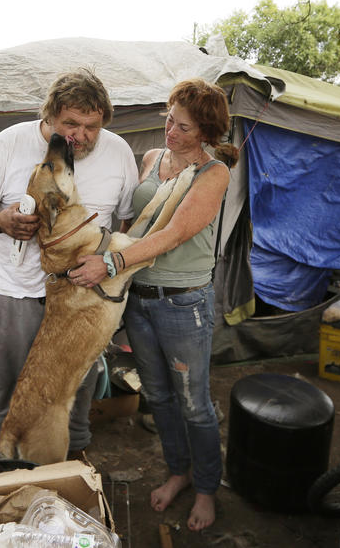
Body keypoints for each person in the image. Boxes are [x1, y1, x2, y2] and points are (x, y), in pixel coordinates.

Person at [69, 78, 237, 532]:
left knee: (194, 404)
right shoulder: (152, 159)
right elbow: (131, 222)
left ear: (205, 131)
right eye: (168, 120)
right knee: (158, 396)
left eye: (182, 127)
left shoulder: (213, 172)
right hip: (139, 299)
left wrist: (111, 263)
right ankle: (179, 473)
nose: (170, 132)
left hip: (184, 304)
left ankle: (206, 489)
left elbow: (173, 234)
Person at [0, 69, 138, 464]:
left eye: (92, 126)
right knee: (1, 397)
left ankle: (70, 486)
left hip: (81, 304)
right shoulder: (11, 142)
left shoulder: (119, 153)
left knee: (72, 398)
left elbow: (125, 220)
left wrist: (107, 263)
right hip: (15, 295)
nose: (81, 135)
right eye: (71, 123)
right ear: (51, 116)